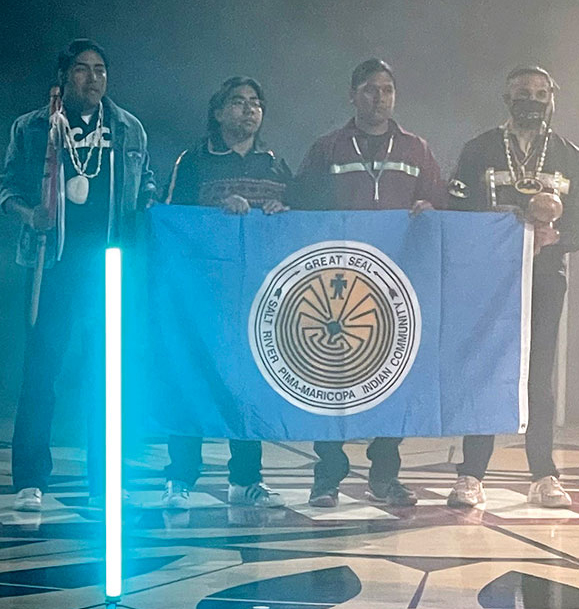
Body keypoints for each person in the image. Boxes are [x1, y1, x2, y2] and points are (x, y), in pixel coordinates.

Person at [0, 38, 157, 512]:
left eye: (101, 69)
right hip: (53, 263)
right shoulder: (33, 127)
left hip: (109, 264)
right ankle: (30, 480)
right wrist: (30, 215)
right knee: (41, 372)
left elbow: (145, 182)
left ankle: (106, 480)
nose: (94, 78)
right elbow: (6, 187)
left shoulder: (128, 128)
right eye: (84, 70)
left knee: (108, 373)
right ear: (65, 76)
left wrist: (149, 204)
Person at [290, 58, 446, 508]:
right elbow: (300, 203)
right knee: (329, 376)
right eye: (369, 90)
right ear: (352, 96)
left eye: (387, 90)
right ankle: (327, 476)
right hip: (337, 284)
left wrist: (430, 209)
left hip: (397, 283)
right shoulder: (329, 147)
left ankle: (385, 474)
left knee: (392, 375)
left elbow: (439, 203)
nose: (379, 98)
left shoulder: (416, 148)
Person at [446, 65, 579, 509]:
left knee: (539, 374)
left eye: (539, 93)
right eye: (521, 94)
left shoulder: (570, 156)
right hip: (489, 281)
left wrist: (558, 237)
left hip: (546, 278)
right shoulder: (480, 149)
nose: (530, 101)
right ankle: (471, 475)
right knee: (485, 369)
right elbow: (453, 210)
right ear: (506, 98)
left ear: (553, 98)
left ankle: (543, 474)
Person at [161, 76, 291, 509]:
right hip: (200, 298)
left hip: (254, 301)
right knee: (190, 382)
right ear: (218, 112)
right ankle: (180, 479)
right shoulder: (193, 161)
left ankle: (246, 480)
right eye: (237, 102)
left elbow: (299, 228)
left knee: (248, 388)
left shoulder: (275, 164)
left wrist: (281, 212)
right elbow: (169, 223)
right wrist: (217, 215)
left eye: (256, 102)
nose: (248, 110)